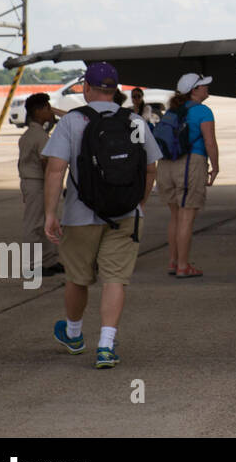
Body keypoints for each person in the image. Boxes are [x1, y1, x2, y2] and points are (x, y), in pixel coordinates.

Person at [43, 62, 161, 368]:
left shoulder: (71, 121)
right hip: (126, 213)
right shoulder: (134, 121)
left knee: (78, 278)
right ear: (116, 89)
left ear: (86, 88)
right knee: (115, 280)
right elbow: (150, 168)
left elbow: (55, 171)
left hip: (80, 214)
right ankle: (106, 346)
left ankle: (74, 334)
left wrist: (50, 214)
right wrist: (140, 203)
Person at [156, 73, 218, 278]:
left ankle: (173, 262)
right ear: (194, 90)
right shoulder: (203, 111)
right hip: (189, 165)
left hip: (165, 166)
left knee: (175, 217)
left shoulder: (171, 111)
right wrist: (215, 166)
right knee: (186, 219)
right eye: (203, 86)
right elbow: (210, 142)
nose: (206, 88)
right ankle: (183, 266)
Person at [19, 93, 63, 277]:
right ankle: (31, 264)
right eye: (47, 107)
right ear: (38, 111)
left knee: (45, 222)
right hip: (37, 183)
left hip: (33, 182)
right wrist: (52, 186)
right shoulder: (39, 136)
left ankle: (49, 260)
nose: (50, 111)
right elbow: (47, 164)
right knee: (34, 224)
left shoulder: (30, 134)